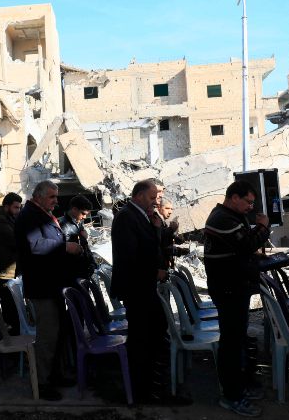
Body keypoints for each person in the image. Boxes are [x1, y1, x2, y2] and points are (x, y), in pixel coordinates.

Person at [110, 179, 191, 405]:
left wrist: (157, 230)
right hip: (136, 286)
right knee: (143, 337)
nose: (156, 202)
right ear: (138, 196)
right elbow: (131, 255)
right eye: (152, 197)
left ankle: (151, 386)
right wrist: (154, 271)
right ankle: (145, 391)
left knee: (154, 331)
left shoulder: (140, 215)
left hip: (142, 285)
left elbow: (149, 246)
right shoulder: (127, 217)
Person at [203, 181, 270, 417]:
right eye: (248, 202)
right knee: (231, 344)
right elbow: (246, 245)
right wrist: (263, 227)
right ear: (234, 198)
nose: (251, 207)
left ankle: (239, 386)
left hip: (235, 288)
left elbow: (243, 245)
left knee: (237, 339)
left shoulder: (231, 216)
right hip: (228, 289)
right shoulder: (222, 219)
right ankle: (231, 396)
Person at [15, 180, 81, 401]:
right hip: (42, 287)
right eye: (52, 197)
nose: (55, 201)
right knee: (48, 337)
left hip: (53, 285)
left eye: (56, 196)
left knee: (58, 334)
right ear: (38, 196)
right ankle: (42, 383)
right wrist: (65, 247)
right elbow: (36, 246)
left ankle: (55, 375)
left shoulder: (41, 213)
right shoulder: (29, 216)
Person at [0, 192, 23, 335]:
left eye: (19, 208)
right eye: (16, 207)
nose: (18, 211)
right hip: (6, 270)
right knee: (10, 304)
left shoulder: (10, 220)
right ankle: (12, 335)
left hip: (12, 268)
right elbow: (16, 241)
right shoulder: (0, 223)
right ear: (7, 207)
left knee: (14, 303)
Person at [58, 195, 97, 281]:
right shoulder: (64, 225)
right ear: (74, 209)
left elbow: (85, 246)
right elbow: (66, 255)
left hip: (82, 272)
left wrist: (92, 263)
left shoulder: (77, 223)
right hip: (73, 275)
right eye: (83, 213)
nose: (85, 217)